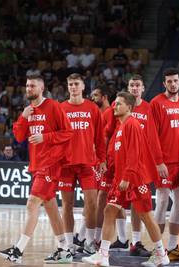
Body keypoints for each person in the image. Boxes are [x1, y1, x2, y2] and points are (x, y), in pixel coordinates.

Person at [82, 92, 169, 267]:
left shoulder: (133, 125)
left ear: (129, 107)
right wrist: (110, 174)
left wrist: (128, 177)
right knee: (109, 211)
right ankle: (103, 255)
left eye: (119, 104)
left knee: (146, 217)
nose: (115, 106)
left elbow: (135, 154)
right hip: (121, 181)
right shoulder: (120, 128)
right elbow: (115, 157)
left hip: (135, 180)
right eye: (115, 104)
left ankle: (161, 254)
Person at [0, 74, 73, 263]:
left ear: (41, 88)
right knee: (51, 208)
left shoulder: (54, 106)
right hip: (37, 164)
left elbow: (68, 132)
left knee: (32, 203)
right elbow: (19, 136)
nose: (28, 89)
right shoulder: (28, 110)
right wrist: (23, 117)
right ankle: (64, 249)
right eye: (27, 85)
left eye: (32, 86)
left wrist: (46, 137)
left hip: (51, 164)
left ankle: (17, 250)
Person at [109, 74, 163, 257]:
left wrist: (159, 161)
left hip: (138, 167)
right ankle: (121, 241)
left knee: (141, 211)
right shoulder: (119, 110)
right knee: (112, 207)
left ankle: (139, 242)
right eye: (131, 85)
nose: (134, 88)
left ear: (142, 88)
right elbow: (110, 130)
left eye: (137, 85)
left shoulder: (147, 109)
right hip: (123, 165)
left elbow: (154, 137)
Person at [150, 68, 179, 261]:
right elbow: (151, 135)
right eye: (169, 81)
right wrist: (158, 161)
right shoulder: (156, 103)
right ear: (164, 83)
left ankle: (172, 247)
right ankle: (158, 249)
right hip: (165, 163)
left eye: (175, 81)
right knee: (161, 202)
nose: (173, 84)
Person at [59, 73, 106, 255]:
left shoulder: (93, 109)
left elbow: (100, 138)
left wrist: (101, 159)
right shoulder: (61, 108)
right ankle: (70, 244)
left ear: (83, 86)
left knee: (92, 204)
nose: (73, 87)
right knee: (67, 205)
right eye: (70, 84)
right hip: (66, 165)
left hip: (88, 164)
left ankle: (90, 241)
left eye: (76, 84)